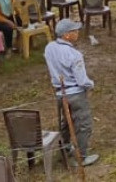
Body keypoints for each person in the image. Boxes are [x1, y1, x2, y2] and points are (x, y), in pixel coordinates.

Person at [44, 19, 99, 167]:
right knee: (83, 124)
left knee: (66, 123)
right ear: (67, 35)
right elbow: (82, 80)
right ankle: (80, 156)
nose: (77, 33)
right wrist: (90, 84)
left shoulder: (49, 48)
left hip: (60, 93)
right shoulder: (74, 54)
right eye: (74, 31)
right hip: (75, 93)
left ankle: (65, 147)